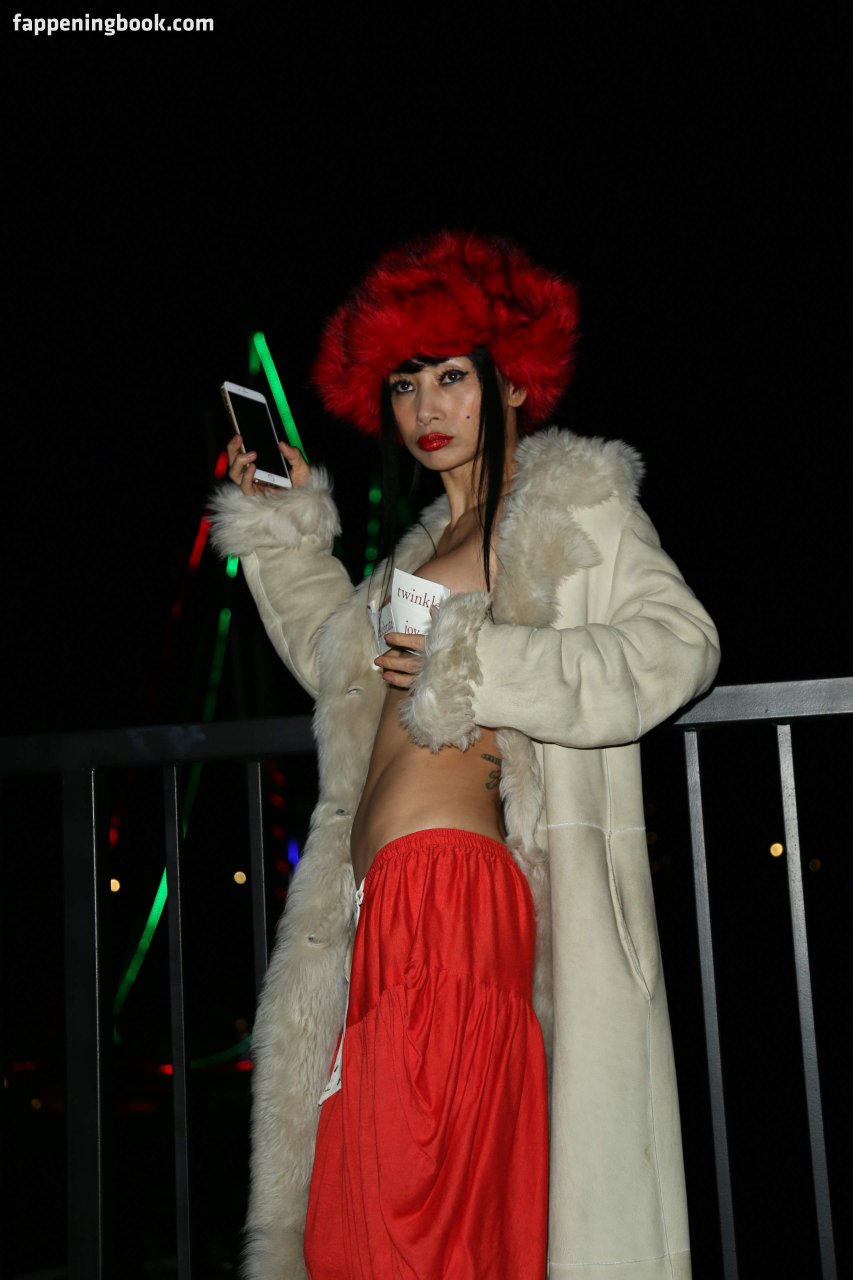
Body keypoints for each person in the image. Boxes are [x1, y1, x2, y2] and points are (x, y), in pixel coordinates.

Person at [210, 231, 719, 1280]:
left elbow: (679, 646)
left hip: (453, 892)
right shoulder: (415, 555)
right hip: (374, 908)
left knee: (417, 1222)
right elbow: (334, 658)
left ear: (511, 381)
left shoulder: (571, 507)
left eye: (451, 375)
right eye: (404, 384)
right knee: (358, 1222)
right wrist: (285, 527)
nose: (425, 407)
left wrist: (483, 663)